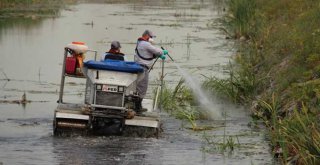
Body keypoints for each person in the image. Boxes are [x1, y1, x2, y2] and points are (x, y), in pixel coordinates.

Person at [134, 30, 168, 112]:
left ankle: (137, 106)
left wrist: (157, 56)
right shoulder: (145, 43)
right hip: (142, 68)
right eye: (151, 37)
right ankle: (138, 107)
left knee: (140, 86)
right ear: (147, 36)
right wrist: (162, 52)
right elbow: (156, 51)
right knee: (142, 87)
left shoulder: (140, 43)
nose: (152, 39)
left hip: (142, 67)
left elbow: (148, 54)